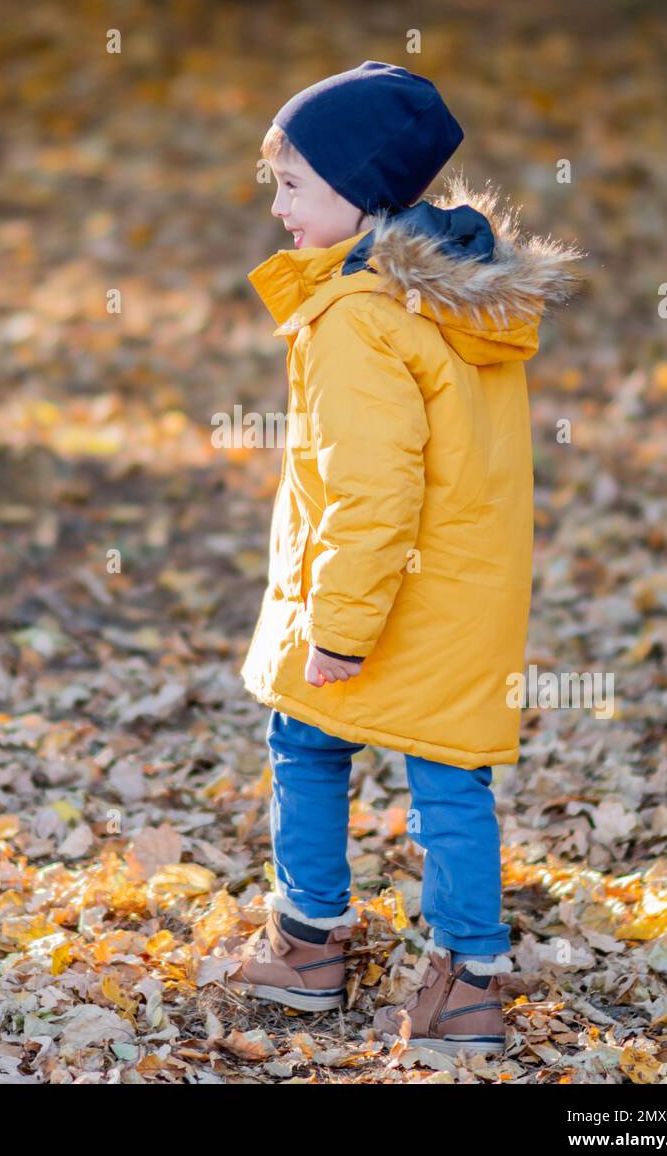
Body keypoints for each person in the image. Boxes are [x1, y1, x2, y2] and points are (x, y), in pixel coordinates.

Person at [222, 61, 585, 1058]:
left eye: (294, 183)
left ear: (361, 189)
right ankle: (469, 981)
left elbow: (373, 494)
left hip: (374, 599)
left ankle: (308, 944)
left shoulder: (356, 319)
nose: (279, 205)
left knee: (306, 742)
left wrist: (338, 629)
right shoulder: (460, 302)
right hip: (461, 600)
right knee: (451, 776)